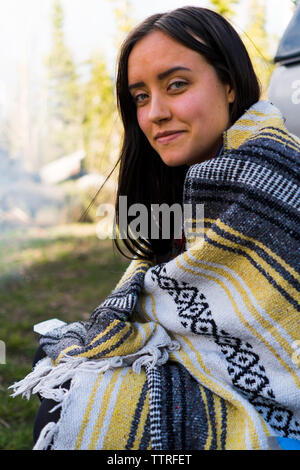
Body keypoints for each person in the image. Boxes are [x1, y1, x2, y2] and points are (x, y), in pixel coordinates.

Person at [11, 6, 300, 450]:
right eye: (141, 96)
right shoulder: (192, 179)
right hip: (204, 370)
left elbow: (270, 340)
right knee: (60, 356)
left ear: (228, 84)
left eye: (177, 85)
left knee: (72, 395)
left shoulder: (264, 173)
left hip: (272, 409)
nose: (155, 113)